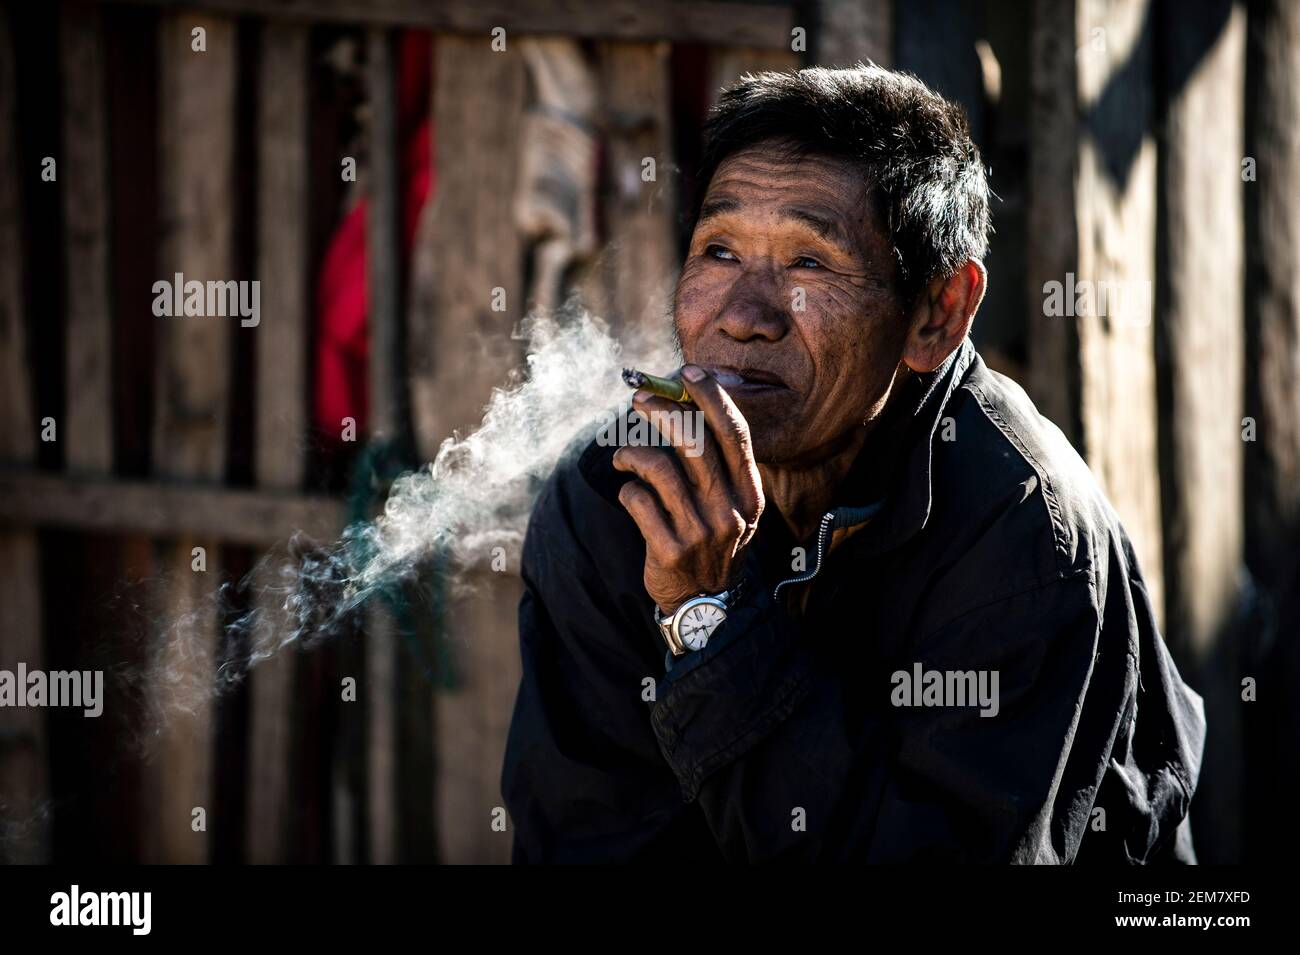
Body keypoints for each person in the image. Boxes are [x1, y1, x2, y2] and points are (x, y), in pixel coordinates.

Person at [501, 64, 1206, 863]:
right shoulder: (613, 500)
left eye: (808, 263)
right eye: (720, 249)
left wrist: (713, 619)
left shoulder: (1023, 532)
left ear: (937, 313)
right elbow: (587, 837)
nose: (743, 317)